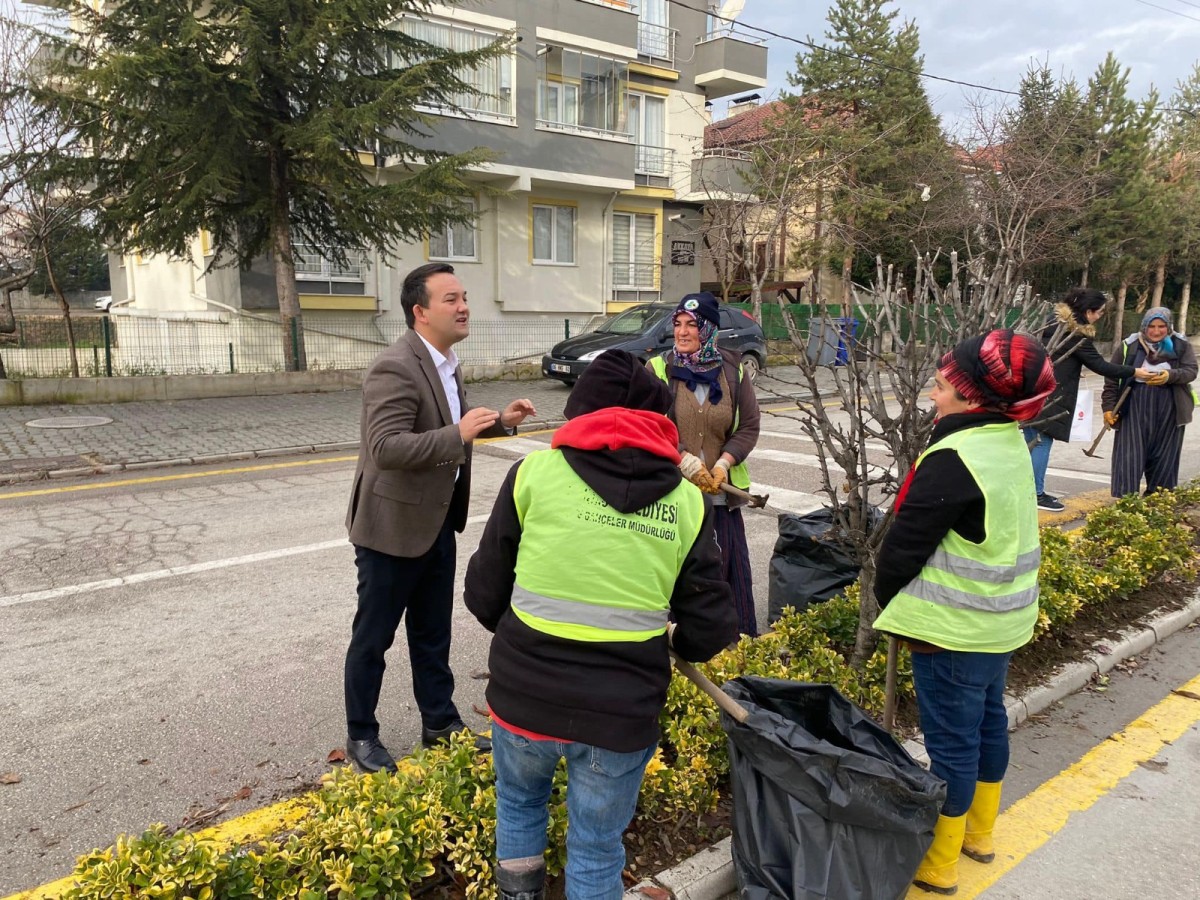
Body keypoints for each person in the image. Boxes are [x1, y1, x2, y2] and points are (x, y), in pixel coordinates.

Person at [464, 349, 737, 900]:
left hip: (524, 697)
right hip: (620, 713)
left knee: (519, 809)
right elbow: (711, 625)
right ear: (659, 418)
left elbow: (483, 591)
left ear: (581, 407)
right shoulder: (687, 502)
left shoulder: (534, 475)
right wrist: (675, 643)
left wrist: (526, 640)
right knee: (596, 846)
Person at [873, 330, 1056, 895]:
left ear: (972, 396)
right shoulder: (1009, 440)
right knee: (987, 723)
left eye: (940, 386)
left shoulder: (955, 455)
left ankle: (939, 863)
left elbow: (904, 547)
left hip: (953, 630)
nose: (934, 396)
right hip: (1001, 621)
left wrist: (888, 600)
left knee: (951, 742)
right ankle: (979, 833)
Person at [343, 262, 536, 773]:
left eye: (464, 296)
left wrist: (500, 424)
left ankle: (440, 724)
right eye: (451, 299)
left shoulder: (445, 362)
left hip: (436, 523)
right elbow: (386, 447)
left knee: (432, 634)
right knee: (374, 636)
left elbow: (452, 429)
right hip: (391, 529)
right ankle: (362, 734)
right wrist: (461, 434)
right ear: (420, 311)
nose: (464, 306)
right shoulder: (396, 366)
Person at [647, 291, 762, 636]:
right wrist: (682, 459)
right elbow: (651, 423)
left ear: (709, 329)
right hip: (672, 497)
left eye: (692, 325)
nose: (682, 332)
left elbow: (749, 426)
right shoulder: (658, 368)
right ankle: (680, 649)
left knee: (727, 573)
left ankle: (734, 647)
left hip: (720, 501)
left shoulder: (733, 370)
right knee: (679, 576)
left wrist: (724, 464)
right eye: (678, 324)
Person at [1023, 288, 1151, 511]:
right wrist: (1135, 372)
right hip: (1049, 395)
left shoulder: (1049, 324)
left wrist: (1068, 369)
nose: (1100, 316)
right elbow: (1101, 366)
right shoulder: (1074, 334)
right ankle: (1035, 494)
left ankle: (1026, 490)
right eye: (1099, 312)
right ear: (1088, 311)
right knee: (1042, 442)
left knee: (1031, 442)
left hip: (1029, 392)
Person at [1102, 307, 1197, 498]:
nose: (1156, 331)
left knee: (1165, 455)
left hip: (1170, 405)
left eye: (1161, 326)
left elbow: (1191, 371)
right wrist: (1109, 408)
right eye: (1151, 326)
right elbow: (1112, 377)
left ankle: (1158, 500)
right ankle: (1126, 502)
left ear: (1168, 326)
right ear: (1144, 326)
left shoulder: (1180, 345)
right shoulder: (1130, 345)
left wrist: (1170, 375)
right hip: (1134, 403)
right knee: (1130, 454)